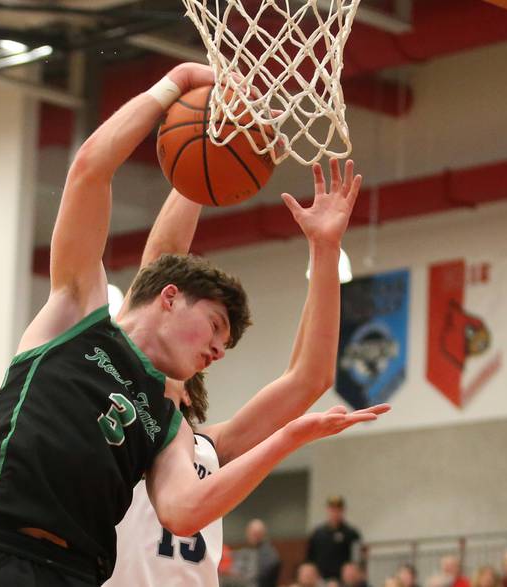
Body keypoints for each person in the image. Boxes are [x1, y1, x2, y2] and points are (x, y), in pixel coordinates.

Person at [0, 61, 388, 587]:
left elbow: (185, 507)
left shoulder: (171, 430)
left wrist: (291, 435)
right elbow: (98, 183)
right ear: (170, 300)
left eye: (224, 344)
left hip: (75, 573)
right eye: (215, 329)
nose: (218, 351)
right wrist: (177, 91)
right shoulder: (79, 319)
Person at [108, 156, 371, 587]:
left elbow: (310, 378)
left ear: (189, 396)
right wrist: (201, 162)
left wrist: (325, 249)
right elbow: (159, 266)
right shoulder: (115, 419)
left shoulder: (209, 448)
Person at [307, 496, 363, 580]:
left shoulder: (351, 533)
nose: (335, 513)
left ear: (343, 511)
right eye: (332, 510)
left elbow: (357, 559)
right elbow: (310, 557)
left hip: (344, 581)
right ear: (327, 510)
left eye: (338, 510)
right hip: (321, 579)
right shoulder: (318, 533)